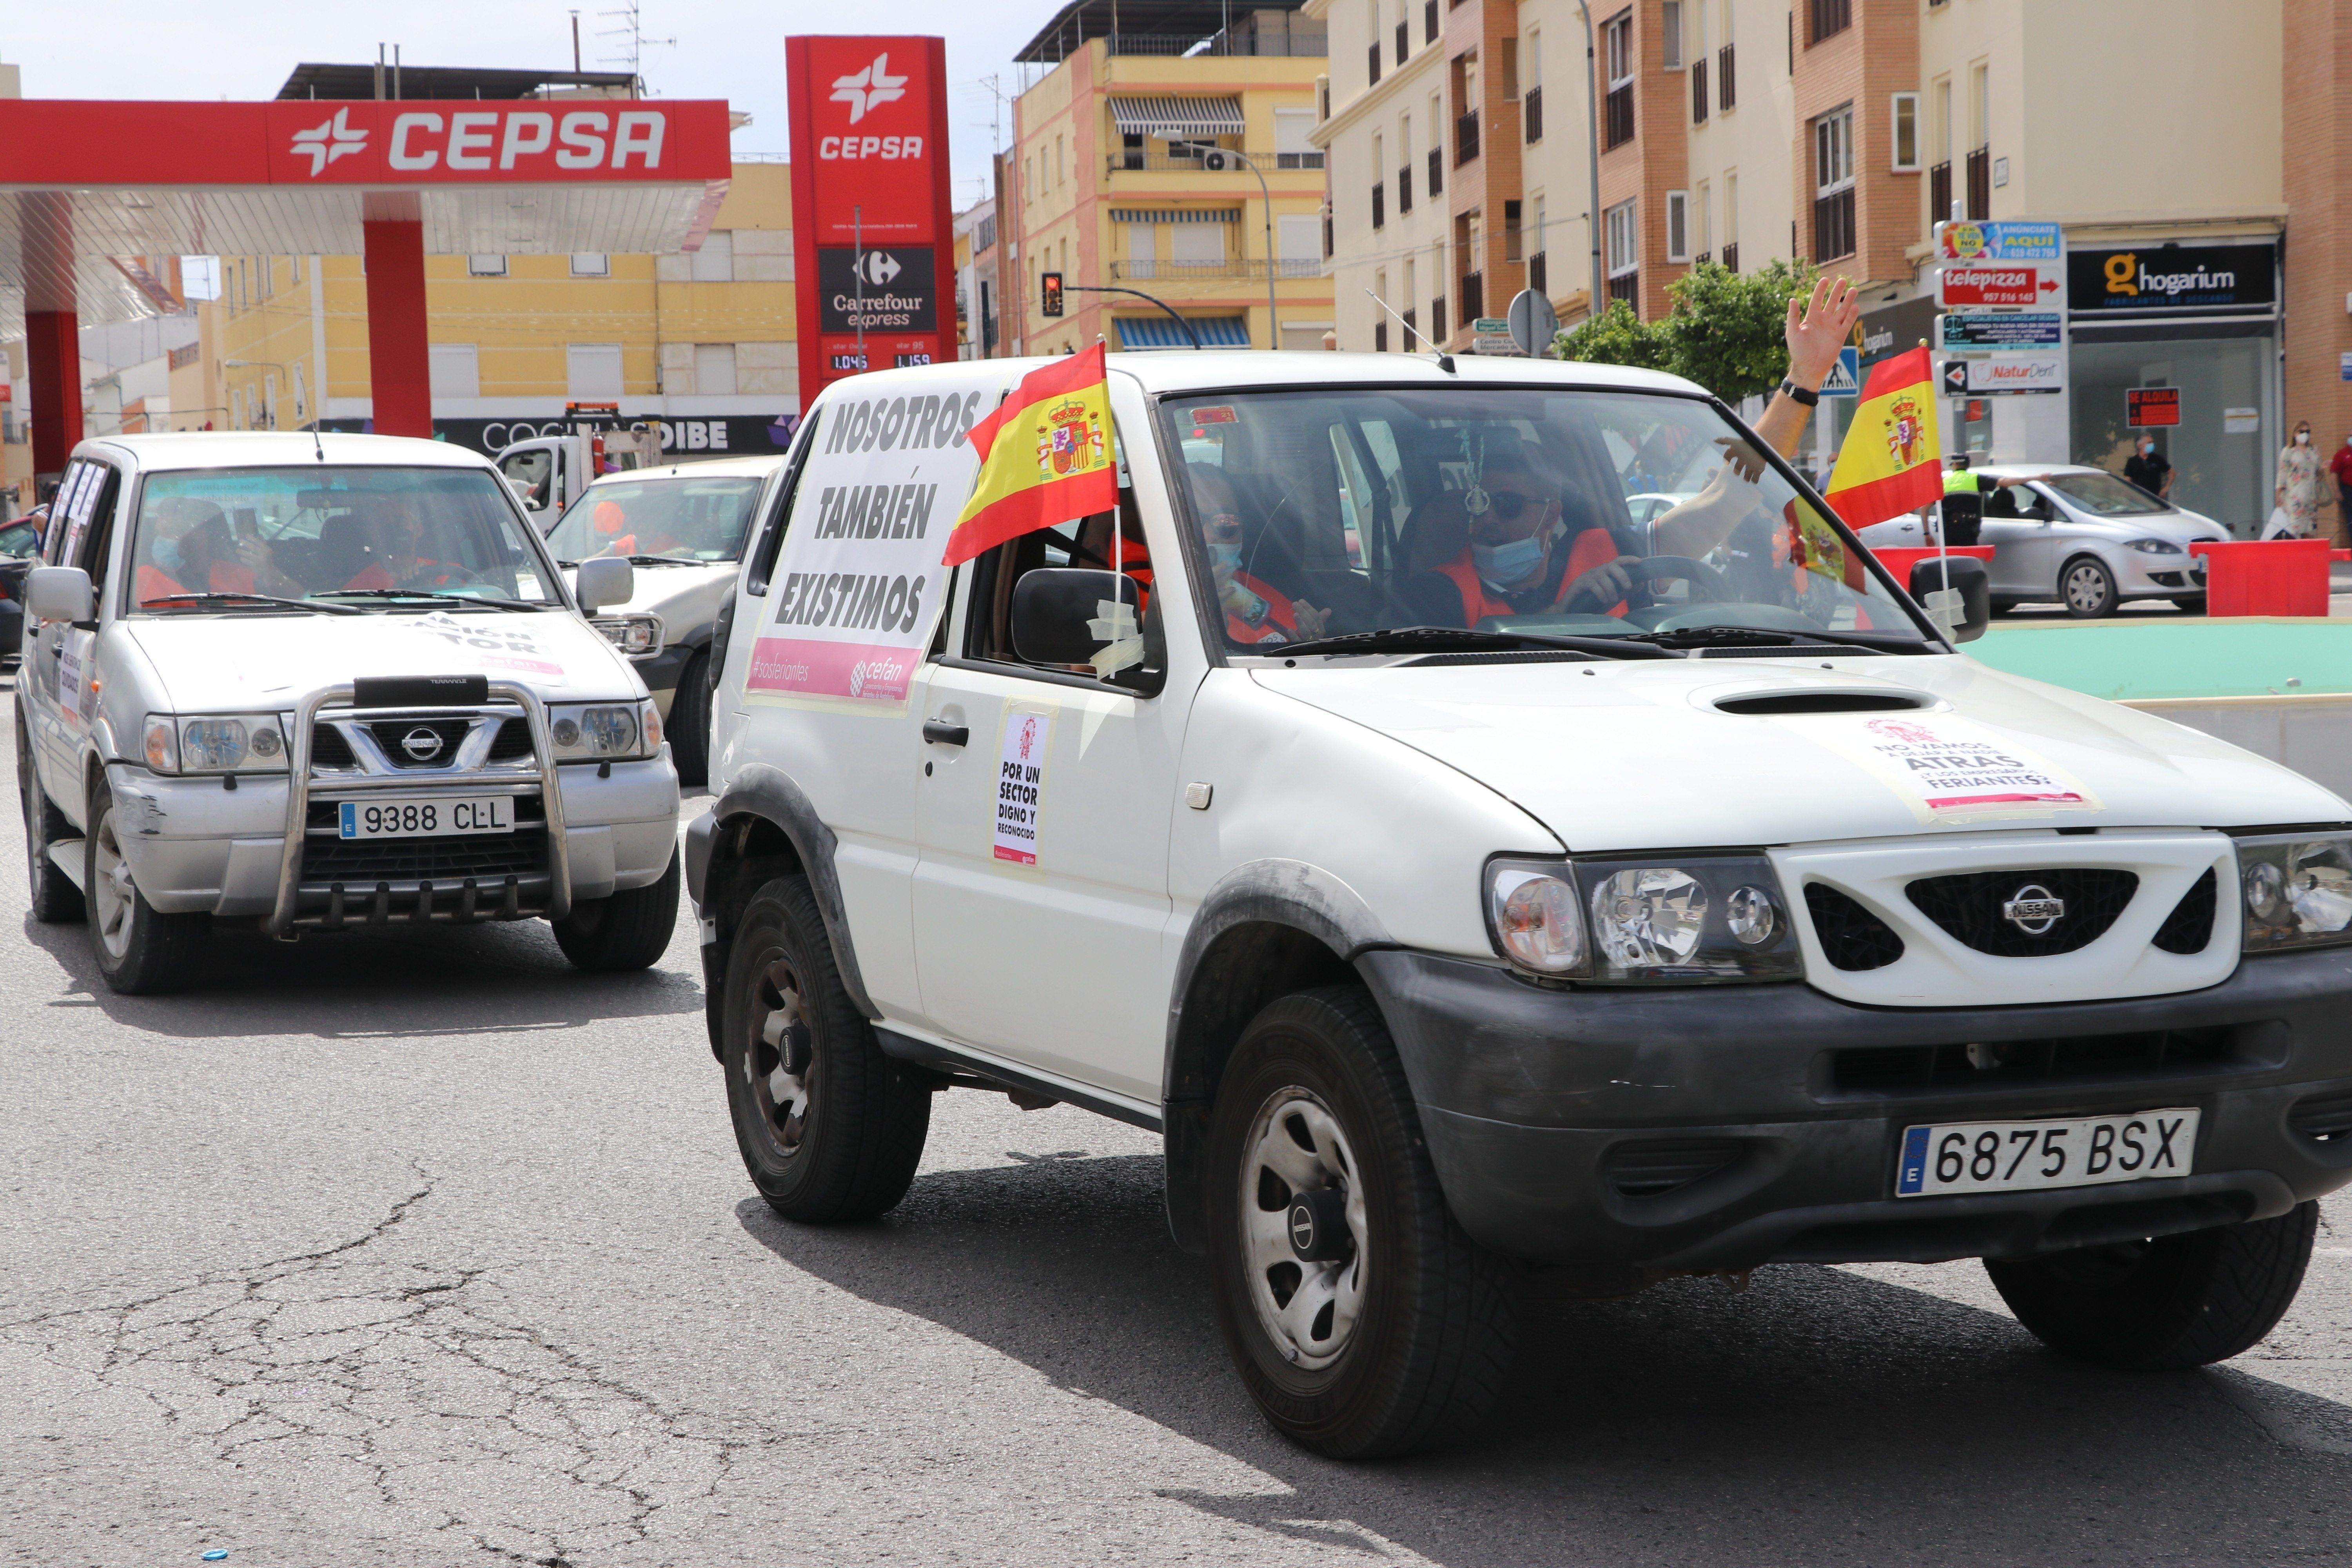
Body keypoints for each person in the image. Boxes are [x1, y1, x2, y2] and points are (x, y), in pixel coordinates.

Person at [2274, 419, 2332, 540]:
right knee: (2295, 529)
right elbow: (2282, 473)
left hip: (2311, 497)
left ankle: (2308, 557)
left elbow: (2317, 470)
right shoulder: (2289, 452)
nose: (2305, 434)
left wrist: (2323, 467)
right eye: (2302, 431)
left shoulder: (2313, 450)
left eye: (2308, 431)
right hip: (2295, 496)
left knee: (2310, 530)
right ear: (2295, 433)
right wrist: (2279, 494)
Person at [2123, 435, 2172, 501]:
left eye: (2152, 443)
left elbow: (2172, 473)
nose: (2152, 445)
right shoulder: (2132, 461)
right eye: (2149, 443)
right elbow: (2128, 479)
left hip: (2155, 497)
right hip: (2138, 497)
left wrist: (2166, 488)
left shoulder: (2157, 459)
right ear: (2140, 445)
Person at [2329, 431, 2352, 546]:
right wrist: (2337, 492)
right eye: (2350, 436)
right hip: (2348, 491)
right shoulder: (2342, 454)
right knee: (2351, 519)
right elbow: (2334, 473)